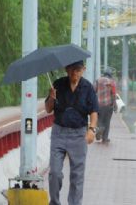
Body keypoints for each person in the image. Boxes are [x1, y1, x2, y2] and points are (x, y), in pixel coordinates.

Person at [45, 60, 99, 205]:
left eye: (78, 69)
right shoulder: (58, 84)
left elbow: (94, 111)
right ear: (66, 69)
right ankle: (55, 201)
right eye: (71, 69)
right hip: (59, 133)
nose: (74, 73)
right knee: (54, 173)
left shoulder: (88, 88)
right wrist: (51, 97)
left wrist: (92, 129)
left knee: (77, 175)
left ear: (83, 70)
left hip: (78, 134)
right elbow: (48, 109)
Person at [94, 68, 117, 144]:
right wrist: (114, 105)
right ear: (110, 75)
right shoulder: (112, 82)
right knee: (107, 122)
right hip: (108, 105)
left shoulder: (98, 80)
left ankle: (100, 128)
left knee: (99, 120)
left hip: (99, 105)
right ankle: (105, 138)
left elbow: (93, 91)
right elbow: (113, 94)